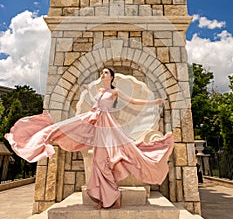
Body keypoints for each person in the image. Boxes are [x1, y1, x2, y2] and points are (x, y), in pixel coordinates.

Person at [5, 68, 174, 210]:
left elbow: (133, 101)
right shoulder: (99, 91)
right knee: (95, 160)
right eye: (102, 73)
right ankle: (108, 197)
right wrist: (86, 89)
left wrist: (153, 102)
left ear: (112, 77)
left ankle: (112, 197)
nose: (103, 74)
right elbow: (94, 102)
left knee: (113, 158)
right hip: (94, 121)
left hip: (107, 126)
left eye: (106, 73)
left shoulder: (114, 92)